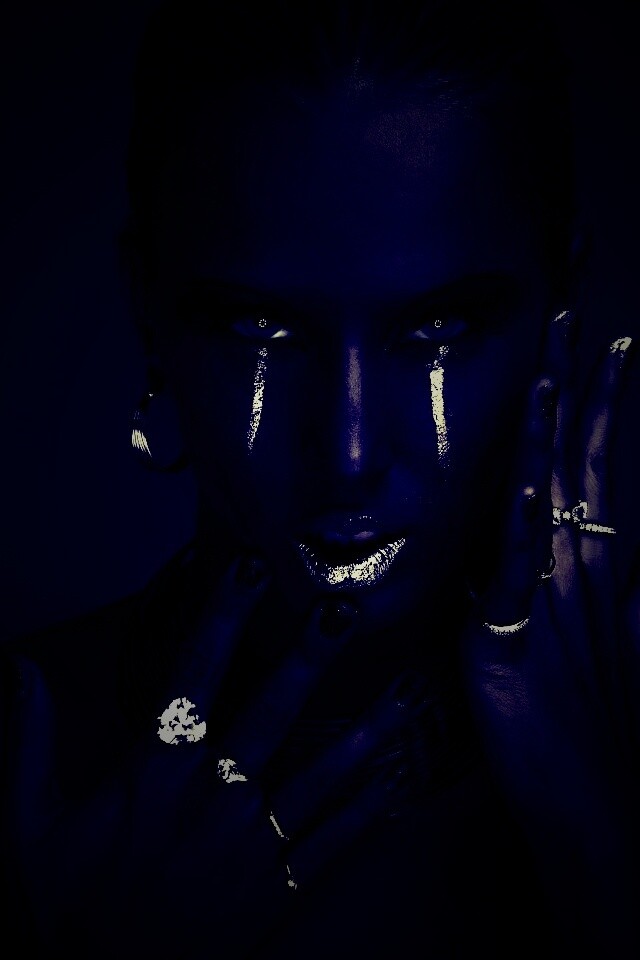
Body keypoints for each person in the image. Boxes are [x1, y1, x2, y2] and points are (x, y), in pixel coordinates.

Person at [2, 0, 638, 956]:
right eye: (261, 329)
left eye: (437, 328)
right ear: (146, 307)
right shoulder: (27, 762)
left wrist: (601, 858)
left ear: (564, 299)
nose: (348, 453)